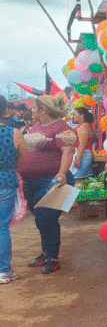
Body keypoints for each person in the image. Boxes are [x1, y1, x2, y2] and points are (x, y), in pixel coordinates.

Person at [17, 94, 76, 274]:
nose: (31, 110)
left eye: (34, 108)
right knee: (41, 219)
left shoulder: (61, 127)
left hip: (54, 179)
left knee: (45, 216)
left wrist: (62, 172)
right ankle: (46, 252)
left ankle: (52, 257)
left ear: (43, 110)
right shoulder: (36, 126)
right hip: (30, 182)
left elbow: (68, 151)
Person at [0, 95, 28, 284]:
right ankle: (3, 270)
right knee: (1, 226)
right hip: (6, 180)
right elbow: (22, 159)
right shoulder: (14, 133)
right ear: (5, 110)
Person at [69, 108, 94, 180]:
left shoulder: (83, 127)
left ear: (82, 116)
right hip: (85, 153)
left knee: (77, 179)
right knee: (83, 179)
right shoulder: (87, 125)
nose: (74, 116)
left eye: (75, 114)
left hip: (83, 154)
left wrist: (78, 158)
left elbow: (82, 144)